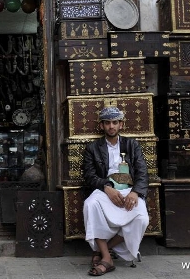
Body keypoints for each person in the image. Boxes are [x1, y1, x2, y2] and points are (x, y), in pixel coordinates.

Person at [82, 106, 149, 276]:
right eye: (107, 123)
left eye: (114, 122)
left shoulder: (132, 145)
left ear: (121, 124)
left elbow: (142, 172)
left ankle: (105, 249)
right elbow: (89, 176)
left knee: (141, 219)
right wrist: (107, 187)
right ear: (101, 126)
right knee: (90, 205)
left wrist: (135, 192)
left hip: (129, 190)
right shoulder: (93, 148)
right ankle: (106, 258)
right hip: (105, 190)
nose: (111, 126)